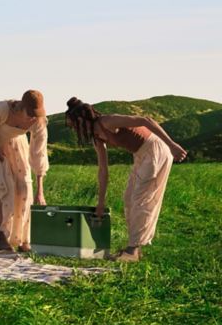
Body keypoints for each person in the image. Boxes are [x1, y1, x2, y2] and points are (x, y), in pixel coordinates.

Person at [64, 97, 187, 262]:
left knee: (140, 199)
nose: (72, 129)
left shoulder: (108, 121)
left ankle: (132, 250)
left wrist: (172, 145)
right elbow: (103, 170)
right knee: (129, 198)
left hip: (156, 149)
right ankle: (134, 247)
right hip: (141, 155)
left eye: (71, 124)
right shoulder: (97, 137)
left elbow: (146, 121)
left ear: (80, 119)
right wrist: (101, 202)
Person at [0, 90, 49, 252]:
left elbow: (39, 153)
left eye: (35, 114)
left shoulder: (39, 121)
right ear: (21, 107)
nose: (32, 117)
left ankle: (24, 239)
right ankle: (1, 235)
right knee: (3, 186)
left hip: (17, 145)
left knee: (24, 188)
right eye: (29, 113)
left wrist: (40, 190)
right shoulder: (2, 109)